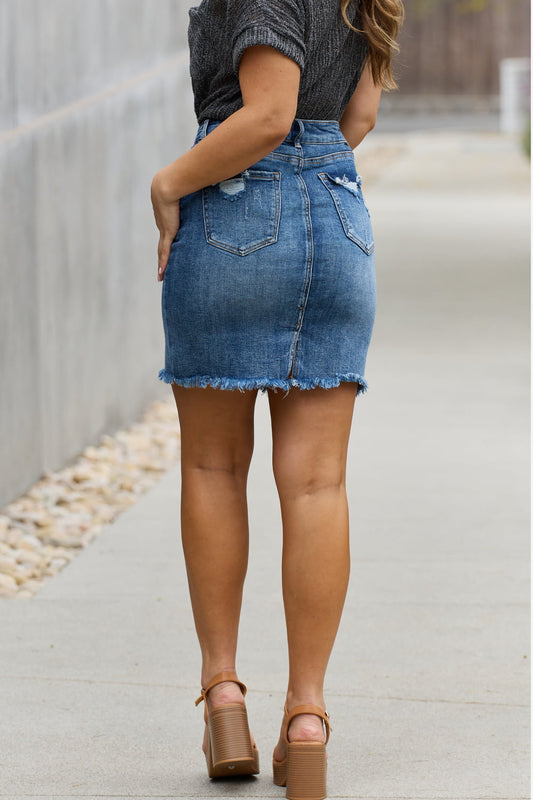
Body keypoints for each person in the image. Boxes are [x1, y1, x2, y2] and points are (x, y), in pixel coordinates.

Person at [151, 1, 404, 798]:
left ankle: (223, 696)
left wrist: (168, 184)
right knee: (317, 482)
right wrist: (307, 183)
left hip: (232, 215)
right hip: (336, 220)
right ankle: (307, 718)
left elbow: (267, 114)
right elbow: (355, 114)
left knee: (215, 467)